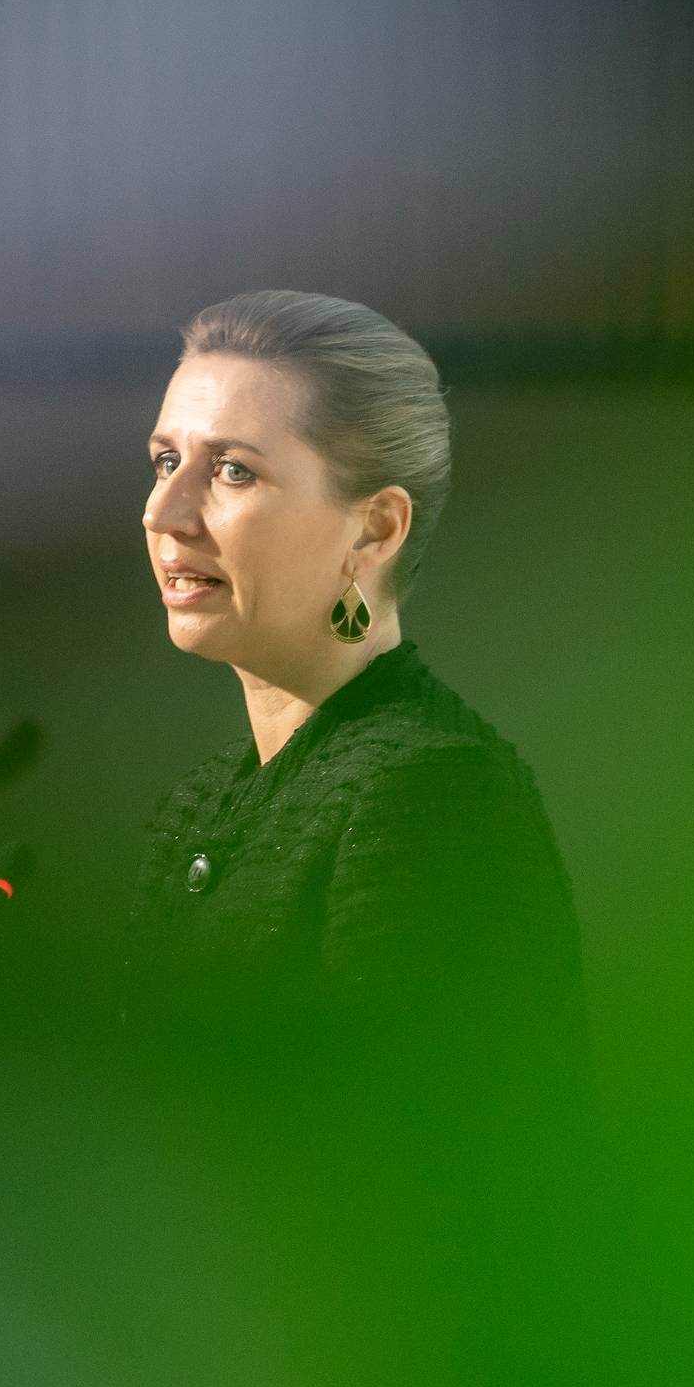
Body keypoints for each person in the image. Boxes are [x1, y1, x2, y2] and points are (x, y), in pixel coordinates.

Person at [123, 288, 588, 1102]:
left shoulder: (433, 790)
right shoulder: (203, 801)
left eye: (232, 470)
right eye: (167, 462)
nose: (164, 512)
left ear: (375, 530)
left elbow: (440, 1156)